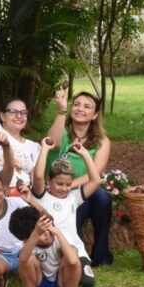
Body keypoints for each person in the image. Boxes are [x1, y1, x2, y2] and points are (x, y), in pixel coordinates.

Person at [45, 90, 113, 265]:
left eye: (87, 106)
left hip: (82, 189)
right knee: (72, 211)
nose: (80, 108)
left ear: (95, 114)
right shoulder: (63, 132)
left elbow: (95, 173)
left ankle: (101, 255)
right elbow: (52, 143)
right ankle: (78, 257)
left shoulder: (101, 141)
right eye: (76, 104)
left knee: (102, 198)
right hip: (56, 191)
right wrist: (61, 111)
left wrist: (71, 185)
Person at [33, 140, 100, 287]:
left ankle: (69, 270)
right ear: (49, 181)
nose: (64, 188)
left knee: (87, 282)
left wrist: (85, 154)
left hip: (73, 248)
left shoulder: (73, 197)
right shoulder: (42, 196)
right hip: (50, 248)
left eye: (68, 184)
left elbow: (95, 180)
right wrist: (45, 149)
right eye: (59, 184)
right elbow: (38, 176)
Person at [0, 49, 41, 189]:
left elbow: (36, 180)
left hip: (25, 196)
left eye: (23, 112)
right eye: (13, 111)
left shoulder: (35, 147)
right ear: (2, 116)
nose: (19, 116)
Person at [9, 207, 83, 287]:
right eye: (40, 233)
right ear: (26, 239)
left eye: (46, 229)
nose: (46, 234)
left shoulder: (60, 236)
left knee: (71, 258)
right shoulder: (30, 244)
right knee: (27, 258)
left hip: (61, 284)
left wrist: (57, 233)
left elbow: (73, 261)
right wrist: (35, 234)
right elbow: (23, 260)